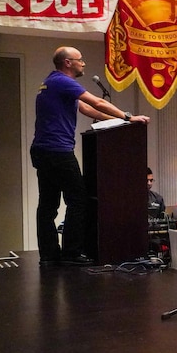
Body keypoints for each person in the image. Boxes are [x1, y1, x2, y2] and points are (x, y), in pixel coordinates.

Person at [31, 47, 150, 267]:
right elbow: (97, 102)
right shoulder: (63, 82)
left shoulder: (51, 82)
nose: (83, 63)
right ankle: (72, 253)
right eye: (80, 59)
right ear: (68, 62)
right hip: (58, 150)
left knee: (48, 204)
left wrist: (117, 122)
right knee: (78, 199)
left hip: (42, 150)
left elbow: (87, 109)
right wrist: (129, 117)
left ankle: (49, 254)